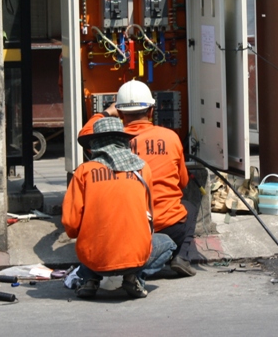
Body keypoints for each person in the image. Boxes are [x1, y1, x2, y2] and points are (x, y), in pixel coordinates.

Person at [78, 80, 198, 277]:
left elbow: (85, 134)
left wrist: (107, 112)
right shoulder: (171, 137)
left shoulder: (109, 143)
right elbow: (182, 183)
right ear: (151, 111)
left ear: (121, 113)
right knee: (190, 208)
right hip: (168, 226)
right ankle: (181, 257)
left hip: (126, 227)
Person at [62, 116, 176, 299]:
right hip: (136, 255)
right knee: (169, 244)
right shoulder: (143, 169)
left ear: (96, 144)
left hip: (94, 259)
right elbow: (149, 216)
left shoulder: (83, 172)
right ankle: (134, 277)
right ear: (123, 141)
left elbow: (70, 223)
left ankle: (90, 278)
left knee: (91, 243)